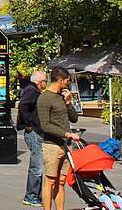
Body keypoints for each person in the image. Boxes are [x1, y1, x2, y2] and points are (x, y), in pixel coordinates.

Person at [38, 67, 80, 210]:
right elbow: (45, 125)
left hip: (66, 146)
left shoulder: (62, 97)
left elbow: (74, 119)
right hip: (52, 146)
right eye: (67, 81)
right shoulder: (44, 98)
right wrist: (66, 134)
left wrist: (68, 102)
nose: (68, 84)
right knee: (50, 181)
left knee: (61, 181)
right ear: (60, 80)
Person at [18, 70, 47, 208]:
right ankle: (31, 196)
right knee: (37, 166)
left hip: (35, 130)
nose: (46, 83)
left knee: (38, 165)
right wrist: (29, 124)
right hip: (34, 132)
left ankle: (36, 195)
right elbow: (23, 105)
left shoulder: (33, 90)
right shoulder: (32, 91)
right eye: (45, 81)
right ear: (40, 82)